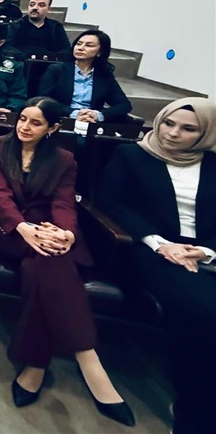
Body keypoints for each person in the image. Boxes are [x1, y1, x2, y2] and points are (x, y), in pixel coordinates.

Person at [0, 97, 134, 427]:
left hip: (48, 226)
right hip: (10, 226)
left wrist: (66, 233)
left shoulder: (64, 159)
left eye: (35, 123)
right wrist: (23, 228)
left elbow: (65, 203)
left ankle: (35, 364)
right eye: (22, 119)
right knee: (49, 261)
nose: (25, 127)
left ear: (51, 128)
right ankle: (88, 359)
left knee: (44, 263)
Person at [99, 98, 215, 434]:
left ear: (205, 133)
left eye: (188, 129)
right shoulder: (131, 155)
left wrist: (205, 251)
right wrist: (161, 243)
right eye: (168, 123)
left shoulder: (212, 164)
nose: (173, 133)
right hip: (150, 247)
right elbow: (112, 204)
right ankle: (196, 414)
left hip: (203, 252)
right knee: (204, 311)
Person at [38, 30, 132, 123]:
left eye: (89, 45)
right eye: (78, 44)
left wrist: (98, 115)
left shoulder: (104, 75)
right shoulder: (56, 70)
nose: (81, 48)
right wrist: (73, 113)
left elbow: (124, 105)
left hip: (91, 121)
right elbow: (43, 98)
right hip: (62, 118)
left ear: (100, 52)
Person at [6, 0, 71, 59]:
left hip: (49, 62)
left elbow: (65, 49)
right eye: (32, 5)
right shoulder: (15, 26)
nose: (35, 8)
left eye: (41, 5)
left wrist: (49, 57)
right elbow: (7, 47)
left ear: (48, 9)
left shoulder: (56, 27)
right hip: (21, 62)